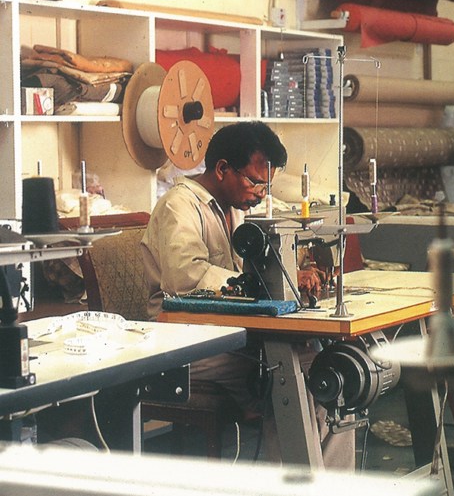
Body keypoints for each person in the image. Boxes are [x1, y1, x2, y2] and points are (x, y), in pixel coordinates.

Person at [140, 121, 354, 468]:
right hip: (188, 341)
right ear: (222, 168)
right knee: (292, 377)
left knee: (333, 374)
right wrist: (269, 281)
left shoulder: (237, 209)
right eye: (255, 182)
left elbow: (263, 260)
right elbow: (187, 277)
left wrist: (301, 267)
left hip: (233, 335)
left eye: (266, 185)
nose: (261, 193)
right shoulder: (179, 206)